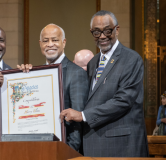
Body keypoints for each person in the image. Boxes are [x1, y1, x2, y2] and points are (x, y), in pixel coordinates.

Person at [60, 10, 149, 157]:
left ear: (117, 29)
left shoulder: (131, 59)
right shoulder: (93, 62)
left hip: (121, 147)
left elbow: (123, 101)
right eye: (96, 32)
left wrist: (83, 115)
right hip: (95, 145)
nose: (102, 36)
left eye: (107, 31)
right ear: (91, 33)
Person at [19, 24, 89, 151]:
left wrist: (67, 152)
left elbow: (78, 121)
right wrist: (22, 78)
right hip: (38, 150)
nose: (50, 44)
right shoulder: (35, 74)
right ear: (40, 44)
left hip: (64, 151)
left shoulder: (76, 73)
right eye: (45, 41)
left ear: (64, 42)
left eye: (55, 40)